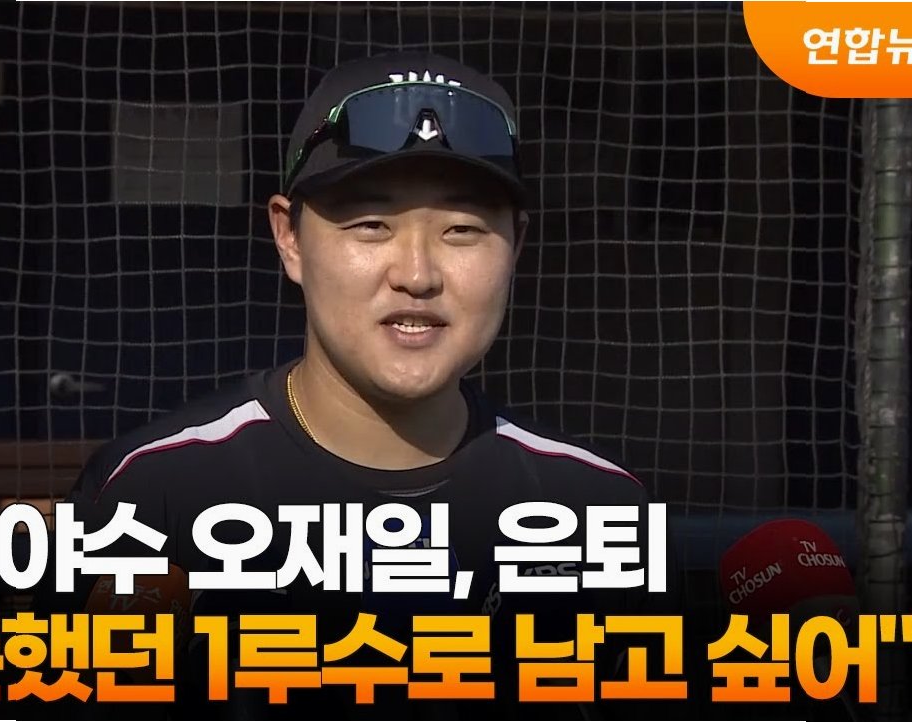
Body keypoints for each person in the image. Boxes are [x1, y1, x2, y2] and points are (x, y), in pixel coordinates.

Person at [45, 51, 657, 720]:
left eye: (463, 230)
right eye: (370, 225)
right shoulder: (157, 494)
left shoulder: (597, 509)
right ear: (289, 238)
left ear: (517, 245)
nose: (417, 275)